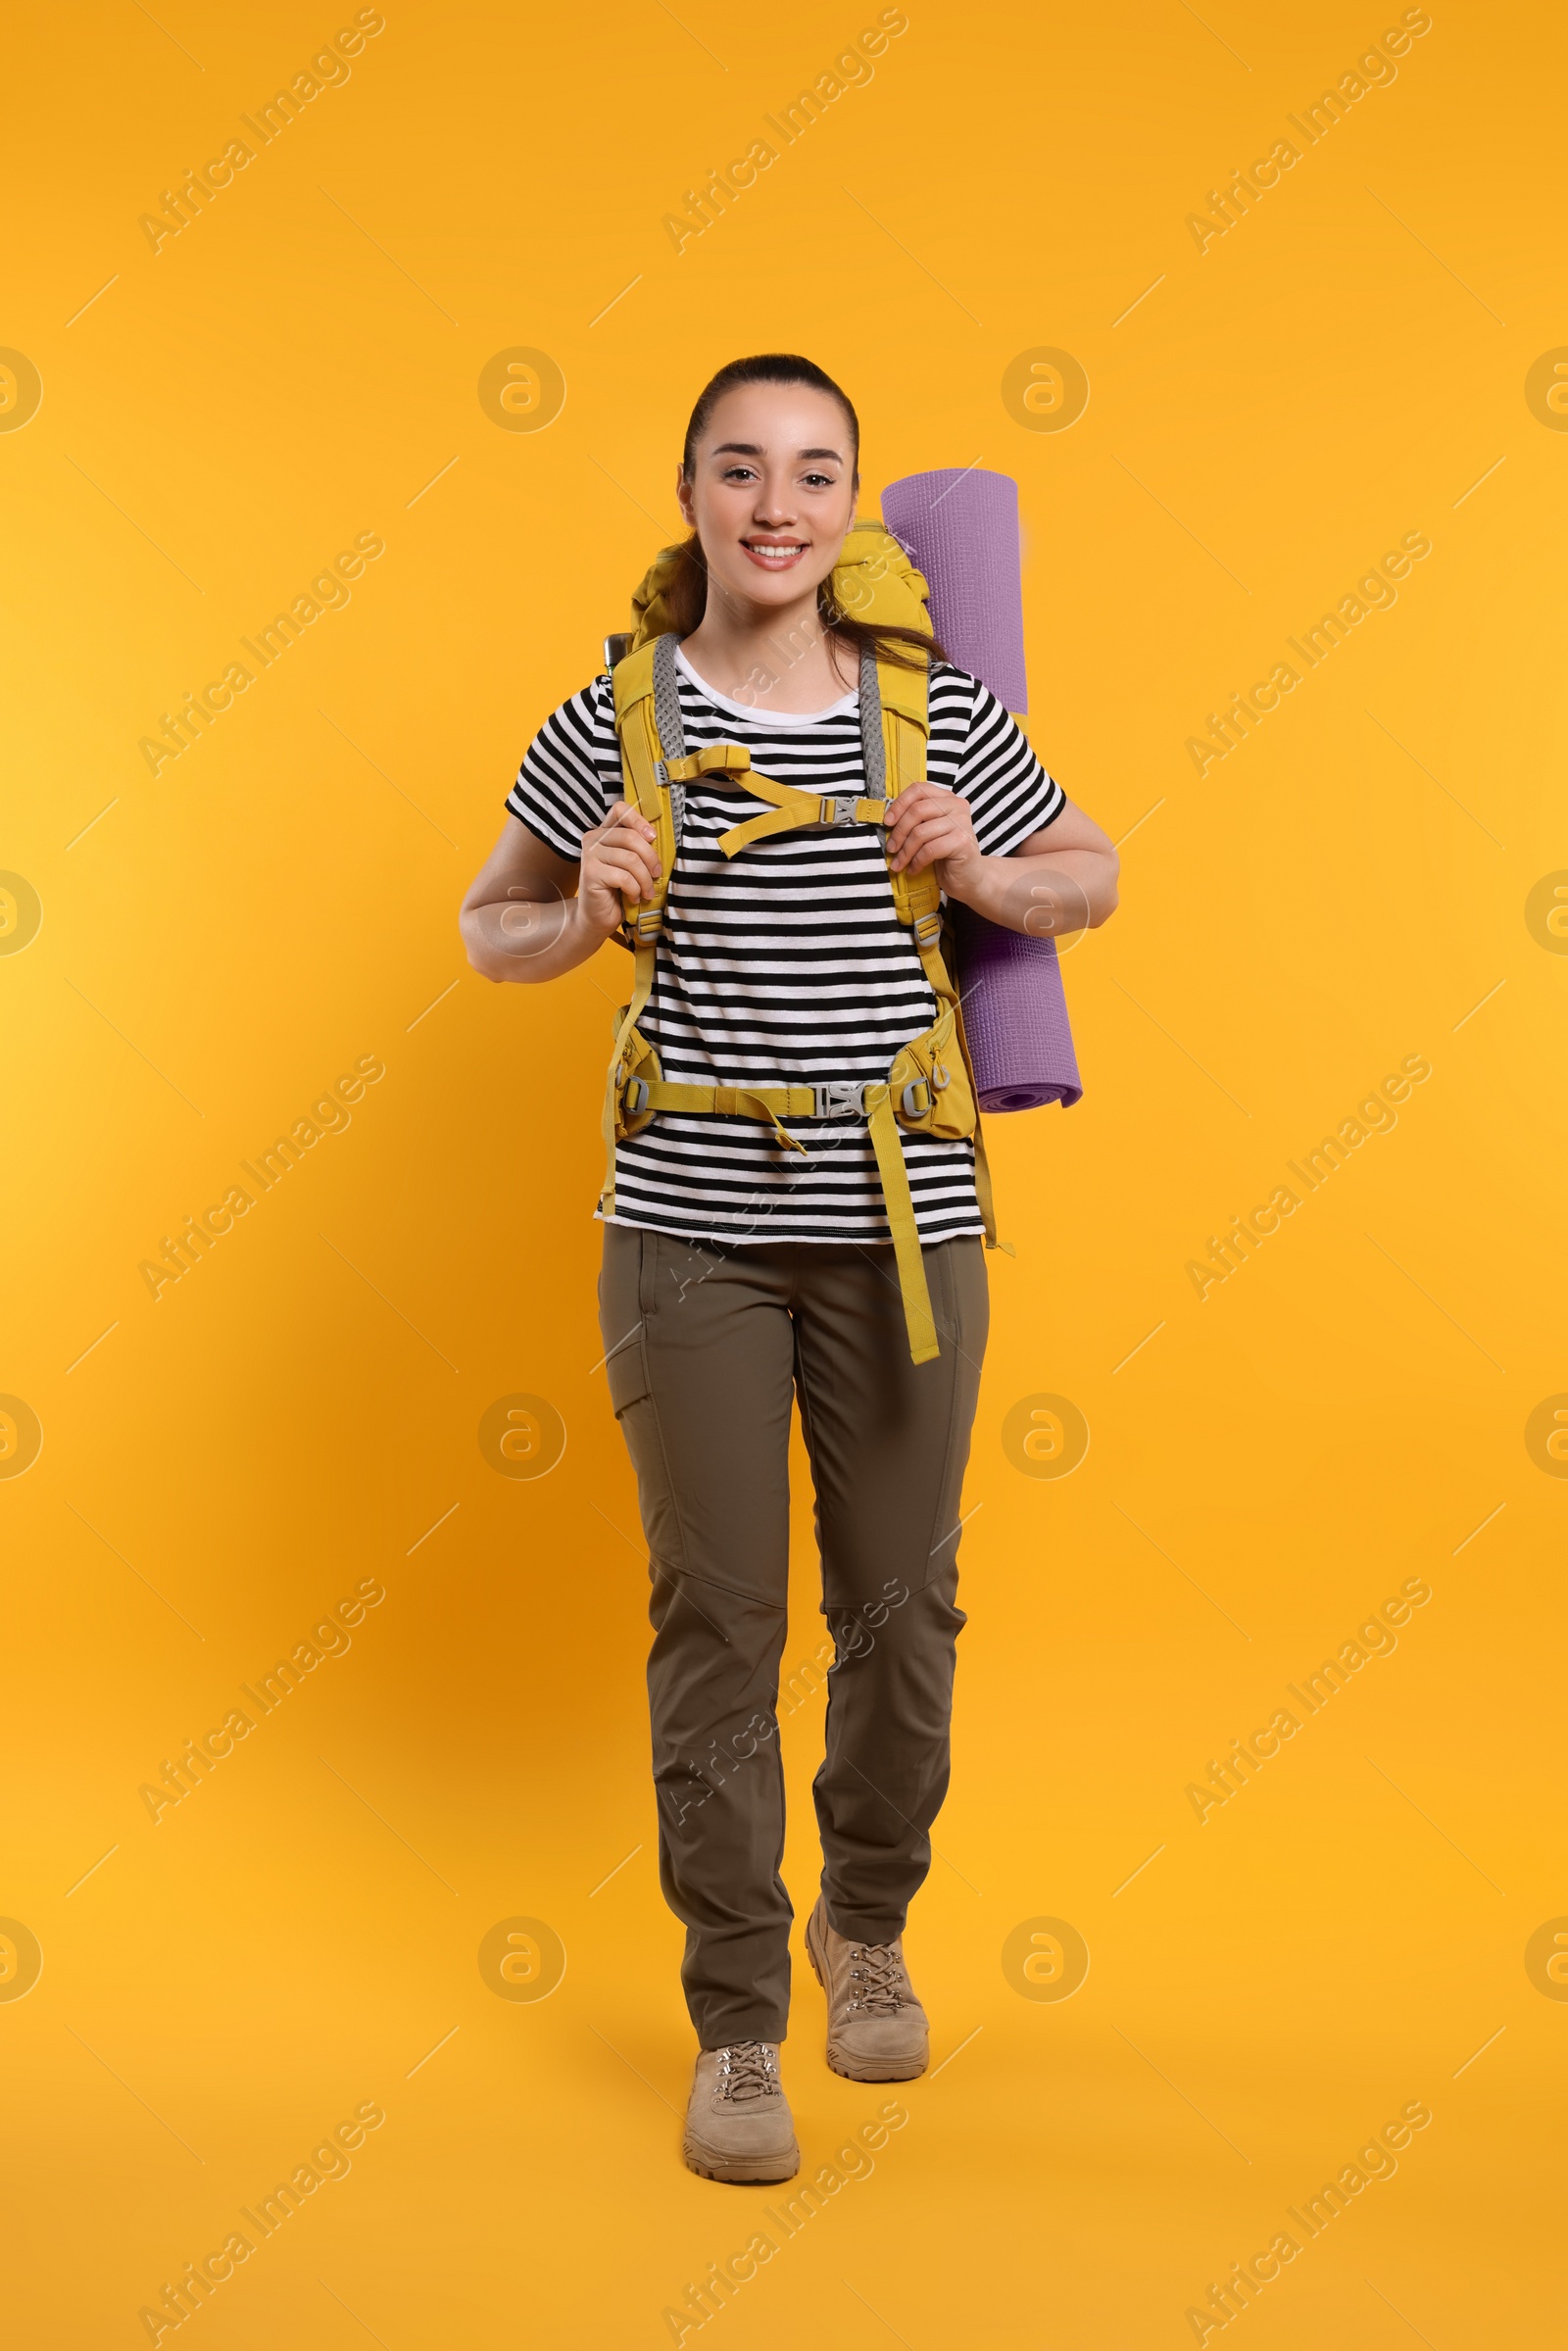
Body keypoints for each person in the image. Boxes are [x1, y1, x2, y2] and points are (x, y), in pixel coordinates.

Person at [460, 353, 1118, 2182]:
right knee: (720, 1624)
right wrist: (578, 904)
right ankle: (742, 2022)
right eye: (739, 469)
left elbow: (1098, 869)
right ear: (688, 496)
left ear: (851, 508)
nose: (776, 504)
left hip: (908, 1225)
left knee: (907, 1619)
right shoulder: (614, 719)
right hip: (688, 1238)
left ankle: (870, 1919)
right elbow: (484, 927)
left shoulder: (930, 707)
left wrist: (989, 875)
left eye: (815, 473)